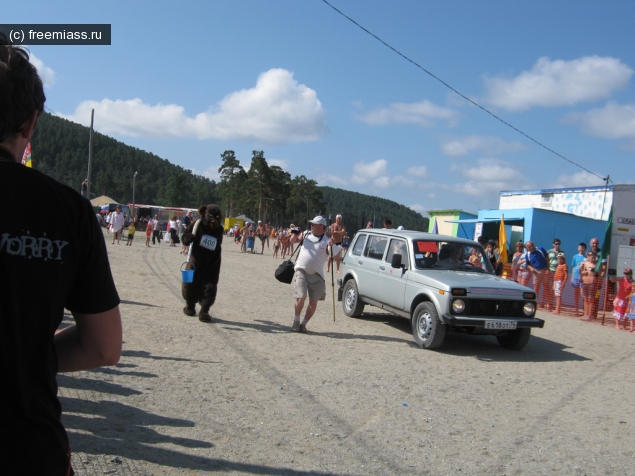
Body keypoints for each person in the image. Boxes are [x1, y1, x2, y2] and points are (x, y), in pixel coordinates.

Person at [0, 36, 122, 474]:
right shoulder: (69, 210)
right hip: (27, 449)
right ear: (31, 123)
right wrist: (31, 355)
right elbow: (104, 346)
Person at [288, 216, 341, 333]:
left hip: (317, 275)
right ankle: (296, 321)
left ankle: (303, 324)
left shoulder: (326, 240)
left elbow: (333, 254)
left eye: (314, 224)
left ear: (321, 226)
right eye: (311, 223)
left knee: (313, 301)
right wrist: (295, 234)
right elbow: (292, 241)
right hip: (301, 270)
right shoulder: (306, 234)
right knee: (301, 297)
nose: (311, 225)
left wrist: (331, 245)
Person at [588, 238, 607, 319]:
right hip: (589, 278)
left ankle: (593, 314)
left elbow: (604, 267)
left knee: (596, 296)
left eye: (596, 243)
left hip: (597, 279)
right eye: (593, 243)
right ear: (590, 244)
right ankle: (587, 313)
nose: (594, 245)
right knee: (588, 296)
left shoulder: (602, 253)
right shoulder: (588, 252)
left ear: (598, 244)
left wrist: (600, 278)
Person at [580, 250, 599, 321]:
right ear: (588, 257)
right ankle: (585, 313)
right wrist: (583, 272)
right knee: (585, 299)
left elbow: (598, 275)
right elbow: (581, 272)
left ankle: (590, 315)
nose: (593, 259)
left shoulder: (597, 265)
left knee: (591, 299)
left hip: (592, 283)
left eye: (594, 257)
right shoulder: (585, 263)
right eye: (591, 257)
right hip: (585, 282)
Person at [570, 243, 587, 316]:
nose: (581, 249)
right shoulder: (575, 257)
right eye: (580, 247)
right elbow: (573, 267)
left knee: (583, 294)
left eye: (583, 248)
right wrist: (572, 277)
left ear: (585, 249)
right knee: (576, 294)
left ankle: (584, 310)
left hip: (582, 277)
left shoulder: (586, 257)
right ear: (578, 248)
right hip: (575, 276)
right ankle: (576, 310)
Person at [545, 239, 562, 312]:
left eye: (558, 244)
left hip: (556, 272)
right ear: (553, 244)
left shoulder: (562, 253)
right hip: (549, 271)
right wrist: (547, 269)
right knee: (547, 287)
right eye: (556, 244)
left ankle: (550, 303)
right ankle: (547, 302)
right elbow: (546, 261)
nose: (557, 245)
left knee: (553, 289)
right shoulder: (549, 251)